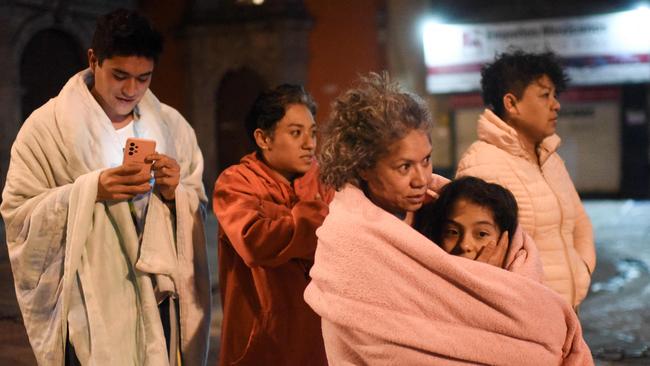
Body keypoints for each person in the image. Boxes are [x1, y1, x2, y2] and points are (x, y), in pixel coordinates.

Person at [304, 72, 593, 365]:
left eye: (426, 160)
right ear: (363, 167)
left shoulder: (441, 205)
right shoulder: (347, 240)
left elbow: (516, 272)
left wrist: (491, 282)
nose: (421, 179)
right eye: (404, 167)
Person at [1, 9, 210, 365]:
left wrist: (177, 194)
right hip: (89, 307)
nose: (132, 90)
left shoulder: (173, 126)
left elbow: (197, 206)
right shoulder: (45, 128)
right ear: (94, 60)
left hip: (157, 304)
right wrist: (90, 190)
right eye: (120, 76)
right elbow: (18, 213)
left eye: (144, 78)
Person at [455, 50, 596, 308]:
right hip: (524, 318)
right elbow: (474, 256)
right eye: (545, 95)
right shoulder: (481, 165)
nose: (556, 104)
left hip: (567, 312)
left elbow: (581, 223)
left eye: (555, 95)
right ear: (512, 104)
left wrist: (583, 270)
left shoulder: (552, 161)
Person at [213, 84, 332, 365]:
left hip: (318, 341)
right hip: (260, 344)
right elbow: (256, 241)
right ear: (263, 138)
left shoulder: (325, 180)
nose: (310, 143)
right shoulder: (236, 183)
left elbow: (344, 241)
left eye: (313, 132)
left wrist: (279, 217)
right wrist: (316, 215)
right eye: (295, 133)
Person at [415, 176, 543, 279]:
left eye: (481, 234)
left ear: (505, 241)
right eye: (452, 232)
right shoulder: (421, 280)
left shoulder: (527, 293)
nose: (464, 245)